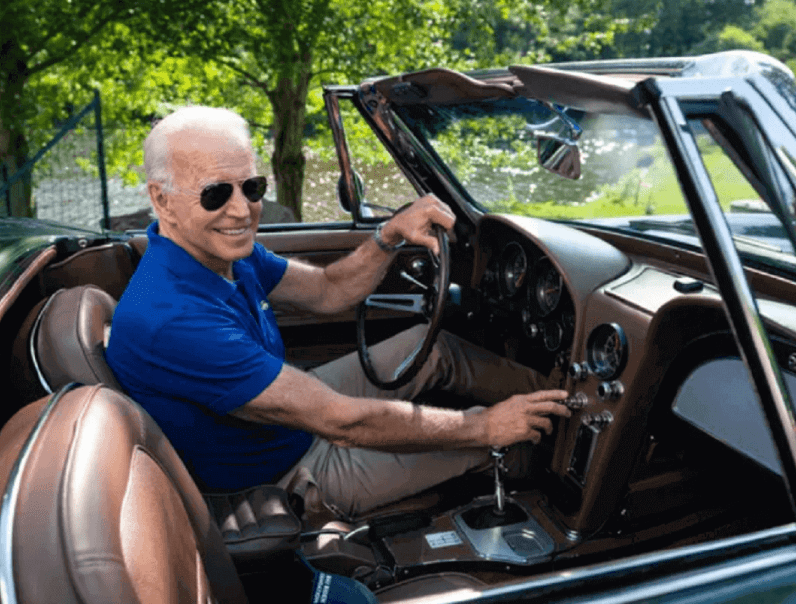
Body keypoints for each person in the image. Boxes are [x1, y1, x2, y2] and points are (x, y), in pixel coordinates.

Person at [105, 106, 571, 519]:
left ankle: (565, 399)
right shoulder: (172, 317)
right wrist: (485, 425)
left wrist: (388, 236)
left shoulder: (221, 254)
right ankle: (569, 476)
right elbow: (344, 421)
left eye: (251, 187)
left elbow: (328, 291)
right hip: (286, 472)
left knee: (428, 349)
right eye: (214, 194)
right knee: (504, 446)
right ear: (161, 199)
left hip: (289, 425)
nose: (241, 210)